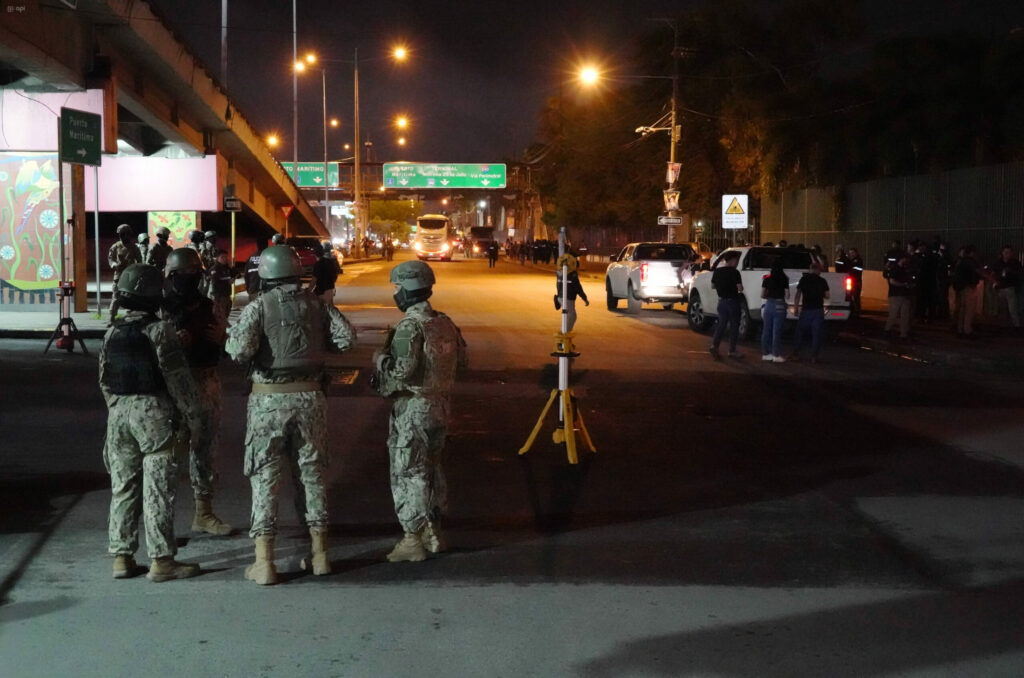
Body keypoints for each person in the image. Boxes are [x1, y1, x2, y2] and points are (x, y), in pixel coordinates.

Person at [226, 245, 356, 585]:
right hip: (311, 397)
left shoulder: (258, 307)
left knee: (265, 477)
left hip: (269, 401)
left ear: (265, 274)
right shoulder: (318, 304)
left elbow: (239, 352)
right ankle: (321, 555)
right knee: (312, 475)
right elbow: (346, 340)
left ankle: (264, 562)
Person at [98, 264, 204, 582]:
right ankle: (162, 561)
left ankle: (122, 557)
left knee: (123, 486)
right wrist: (193, 417)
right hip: (154, 414)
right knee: (157, 489)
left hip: (118, 415)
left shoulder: (111, 332)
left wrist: (118, 408)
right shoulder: (160, 331)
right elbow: (178, 380)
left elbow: (104, 379)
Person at [372, 260, 467, 562]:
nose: (396, 293)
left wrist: (380, 360)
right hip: (440, 406)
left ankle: (412, 539)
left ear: (409, 288)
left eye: (398, 287)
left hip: (413, 409)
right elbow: (462, 361)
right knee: (433, 469)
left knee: (410, 471)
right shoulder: (444, 323)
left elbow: (402, 370)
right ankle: (434, 533)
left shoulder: (409, 326)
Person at [162, 248, 232, 537]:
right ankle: (161, 521)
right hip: (173, 389)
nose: (188, 280)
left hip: (206, 382)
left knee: (205, 451)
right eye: (183, 276)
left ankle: (203, 513)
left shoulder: (211, 306)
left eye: (194, 275)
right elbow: (150, 350)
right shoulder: (161, 309)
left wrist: (222, 339)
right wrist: (172, 342)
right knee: (166, 456)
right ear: (171, 277)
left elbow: (229, 345)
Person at [708, 250, 744, 360]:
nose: (737, 262)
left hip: (721, 301)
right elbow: (740, 288)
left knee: (721, 325)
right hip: (733, 301)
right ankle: (732, 350)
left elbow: (713, 286)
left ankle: (714, 345)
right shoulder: (735, 272)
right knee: (734, 326)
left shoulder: (718, 271)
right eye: (737, 260)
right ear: (733, 260)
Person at [791, 262, 830, 362]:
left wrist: (796, 308)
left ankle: (795, 353)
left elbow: (798, 294)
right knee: (816, 334)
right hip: (818, 310)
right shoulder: (822, 281)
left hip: (806, 310)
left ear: (810, 269)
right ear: (818, 270)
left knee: (799, 332)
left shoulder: (804, 279)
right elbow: (827, 295)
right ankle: (814, 356)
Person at [107, 223, 142, 324]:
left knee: (131, 296)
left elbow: (139, 260)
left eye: (126, 234)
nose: (124, 236)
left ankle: (130, 317)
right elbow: (111, 258)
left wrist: (137, 270)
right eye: (121, 234)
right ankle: (112, 317)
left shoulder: (134, 247)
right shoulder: (115, 246)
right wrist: (114, 264)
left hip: (130, 275)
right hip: (119, 275)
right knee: (116, 296)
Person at [554, 246, 590, 331]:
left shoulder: (559, 272)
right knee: (572, 316)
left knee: (566, 316)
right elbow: (578, 288)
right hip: (568, 299)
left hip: (560, 297)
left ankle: (564, 337)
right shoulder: (572, 274)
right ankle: (564, 336)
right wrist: (585, 298)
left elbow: (558, 285)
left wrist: (559, 296)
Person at [760, 260, 789, 362]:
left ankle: (765, 353)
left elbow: (762, 295)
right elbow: (787, 295)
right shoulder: (784, 278)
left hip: (768, 304)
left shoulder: (767, 279)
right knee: (777, 331)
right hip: (779, 305)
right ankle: (776, 354)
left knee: (766, 329)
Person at [951, 245, 982, 338]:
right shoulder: (971, 262)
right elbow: (977, 273)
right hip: (969, 287)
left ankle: (960, 329)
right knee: (969, 309)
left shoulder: (960, 262)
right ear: (972, 253)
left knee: (962, 309)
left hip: (961, 287)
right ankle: (967, 329)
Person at [884, 253, 915, 340]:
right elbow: (892, 281)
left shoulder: (904, 269)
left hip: (904, 294)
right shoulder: (895, 269)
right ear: (902, 259)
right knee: (893, 314)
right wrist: (903, 284)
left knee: (905, 315)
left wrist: (909, 285)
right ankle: (887, 330)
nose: (907, 261)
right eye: (906, 259)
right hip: (896, 295)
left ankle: (903, 334)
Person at [989, 245, 1021, 328]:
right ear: (1002, 253)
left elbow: (1020, 274)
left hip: (1010, 287)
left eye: (1009, 252)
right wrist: (994, 283)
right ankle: (1004, 326)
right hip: (1001, 288)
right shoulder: (998, 263)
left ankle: (1016, 326)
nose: (1007, 254)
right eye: (1006, 252)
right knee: (1002, 309)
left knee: (1012, 309)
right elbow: (992, 274)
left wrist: (1011, 272)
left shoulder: (1015, 263)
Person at [207, 251, 234, 320]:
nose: (225, 259)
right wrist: (227, 282)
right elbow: (215, 283)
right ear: (217, 258)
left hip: (227, 295)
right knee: (220, 317)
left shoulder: (227, 268)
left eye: (226, 257)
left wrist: (231, 267)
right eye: (222, 257)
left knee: (226, 315)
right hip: (219, 297)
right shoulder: (215, 269)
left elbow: (236, 274)